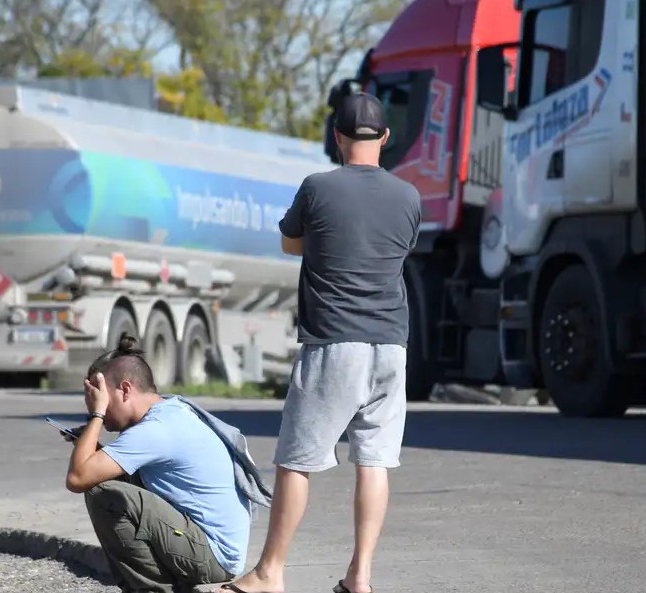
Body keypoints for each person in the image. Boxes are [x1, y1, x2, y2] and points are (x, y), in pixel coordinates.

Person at [224, 92, 421, 593]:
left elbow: (291, 243)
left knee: (296, 459)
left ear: (337, 137)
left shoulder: (317, 187)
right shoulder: (408, 197)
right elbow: (397, 249)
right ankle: (361, 578)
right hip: (391, 345)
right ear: (385, 137)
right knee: (374, 461)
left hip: (334, 341)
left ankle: (269, 573)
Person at [64, 336, 272, 593]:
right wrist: (92, 444)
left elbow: (78, 479)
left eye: (101, 400)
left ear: (126, 390)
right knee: (109, 482)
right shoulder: (171, 410)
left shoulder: (155, 430)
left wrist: (96, 416)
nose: (97, 409)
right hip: (206, 543)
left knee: (103, 494)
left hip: (213, 554)